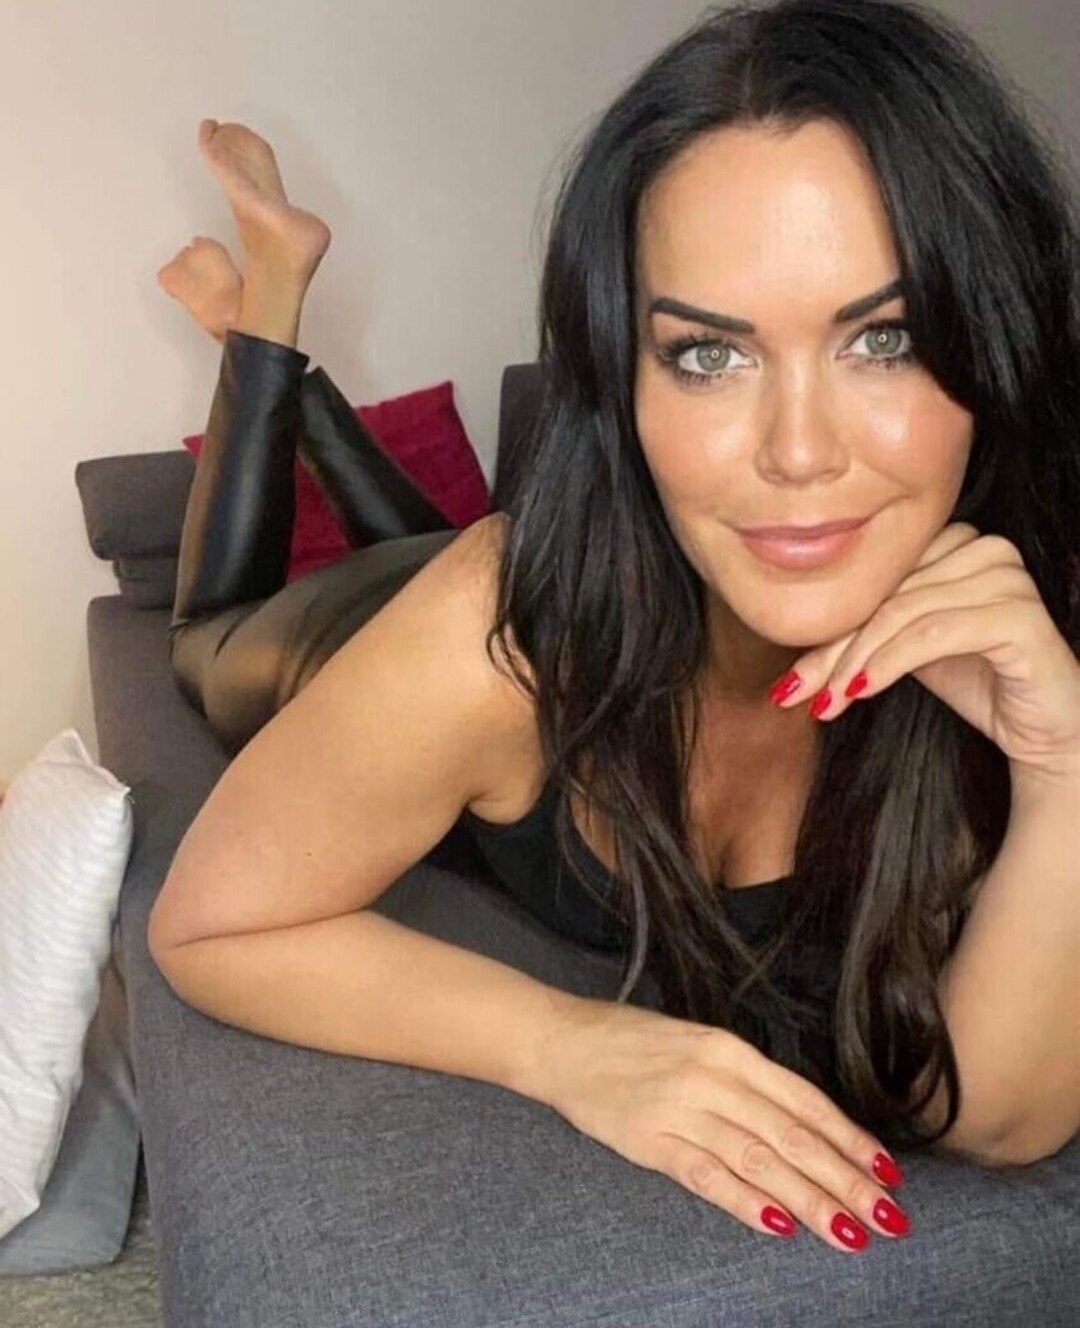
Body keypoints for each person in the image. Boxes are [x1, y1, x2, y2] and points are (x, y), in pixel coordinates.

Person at [148, 0, 1080, 1258]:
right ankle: (263, 311)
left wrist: (1064, 768)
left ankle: (281, 352)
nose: (800, 452)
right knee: (205, 621)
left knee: (459, 542)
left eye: (885, 337)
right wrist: (562, 1042)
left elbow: (1006, 1117)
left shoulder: (1005, 632)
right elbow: (207, 924)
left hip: (509, 560)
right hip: (337, 631)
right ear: (621, 380)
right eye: (709, 355)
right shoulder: (498, 631)